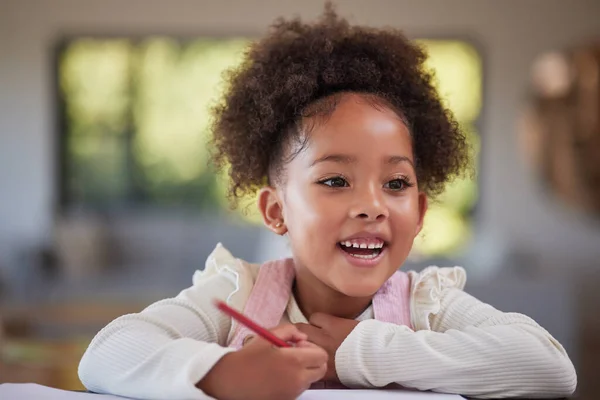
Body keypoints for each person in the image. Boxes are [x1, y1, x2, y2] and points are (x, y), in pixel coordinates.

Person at [78, 5, 577, 400]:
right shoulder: (238, 295)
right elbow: (105, 354)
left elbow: (550, 368)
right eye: (336, 181)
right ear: (276, 211)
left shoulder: (427, 305)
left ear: (421, 213)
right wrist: (223, 375)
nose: (372, 205)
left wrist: (361, 354)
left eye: (396, 183)